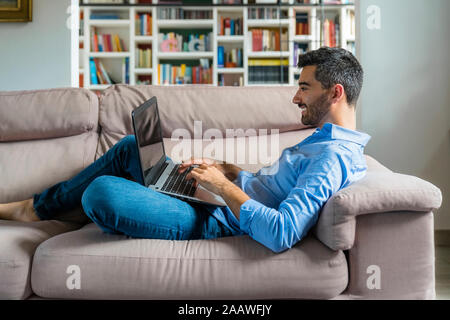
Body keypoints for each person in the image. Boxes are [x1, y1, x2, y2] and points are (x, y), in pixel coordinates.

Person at [0, 47, 370, 253]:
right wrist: (227, 171)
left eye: (305, 87)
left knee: (101, 192)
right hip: (217, 200)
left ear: (335, 92)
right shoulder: (326, 139)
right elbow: (273, 190)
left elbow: (282, 232)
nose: (295, 97)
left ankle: (62, 208)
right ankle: (38, 208)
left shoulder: (332, 157)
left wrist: (223, 188)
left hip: (215, 221)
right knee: (130, 147)